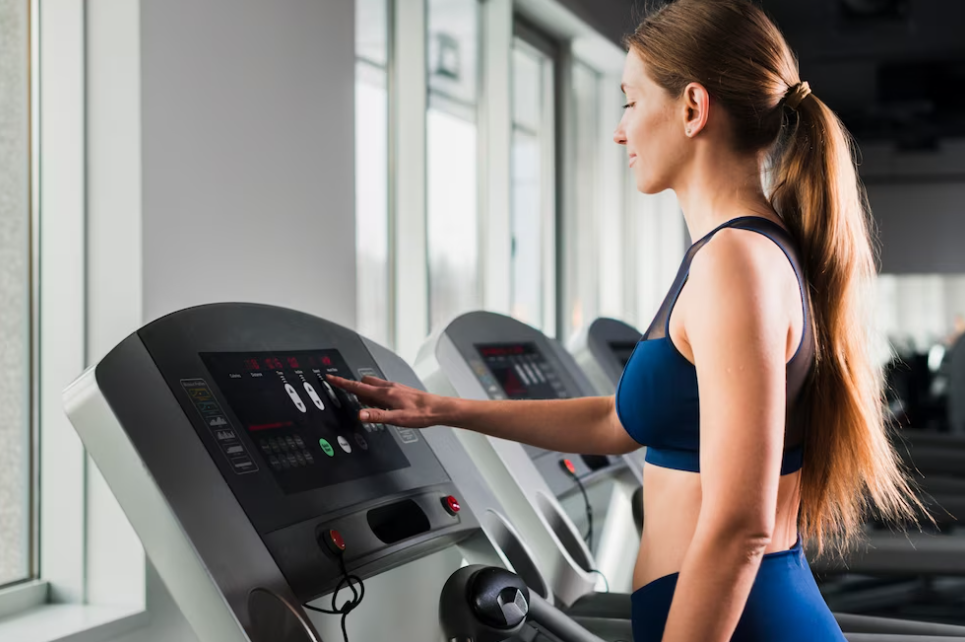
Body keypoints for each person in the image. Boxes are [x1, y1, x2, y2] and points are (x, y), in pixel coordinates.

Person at [328, 1, 923, 639]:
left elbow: (739, 527)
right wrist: (440, 408)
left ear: (694, 108)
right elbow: (617, 421)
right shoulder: (730, 254)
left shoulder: (736, 263)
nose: (619, 131)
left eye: (630, 102)